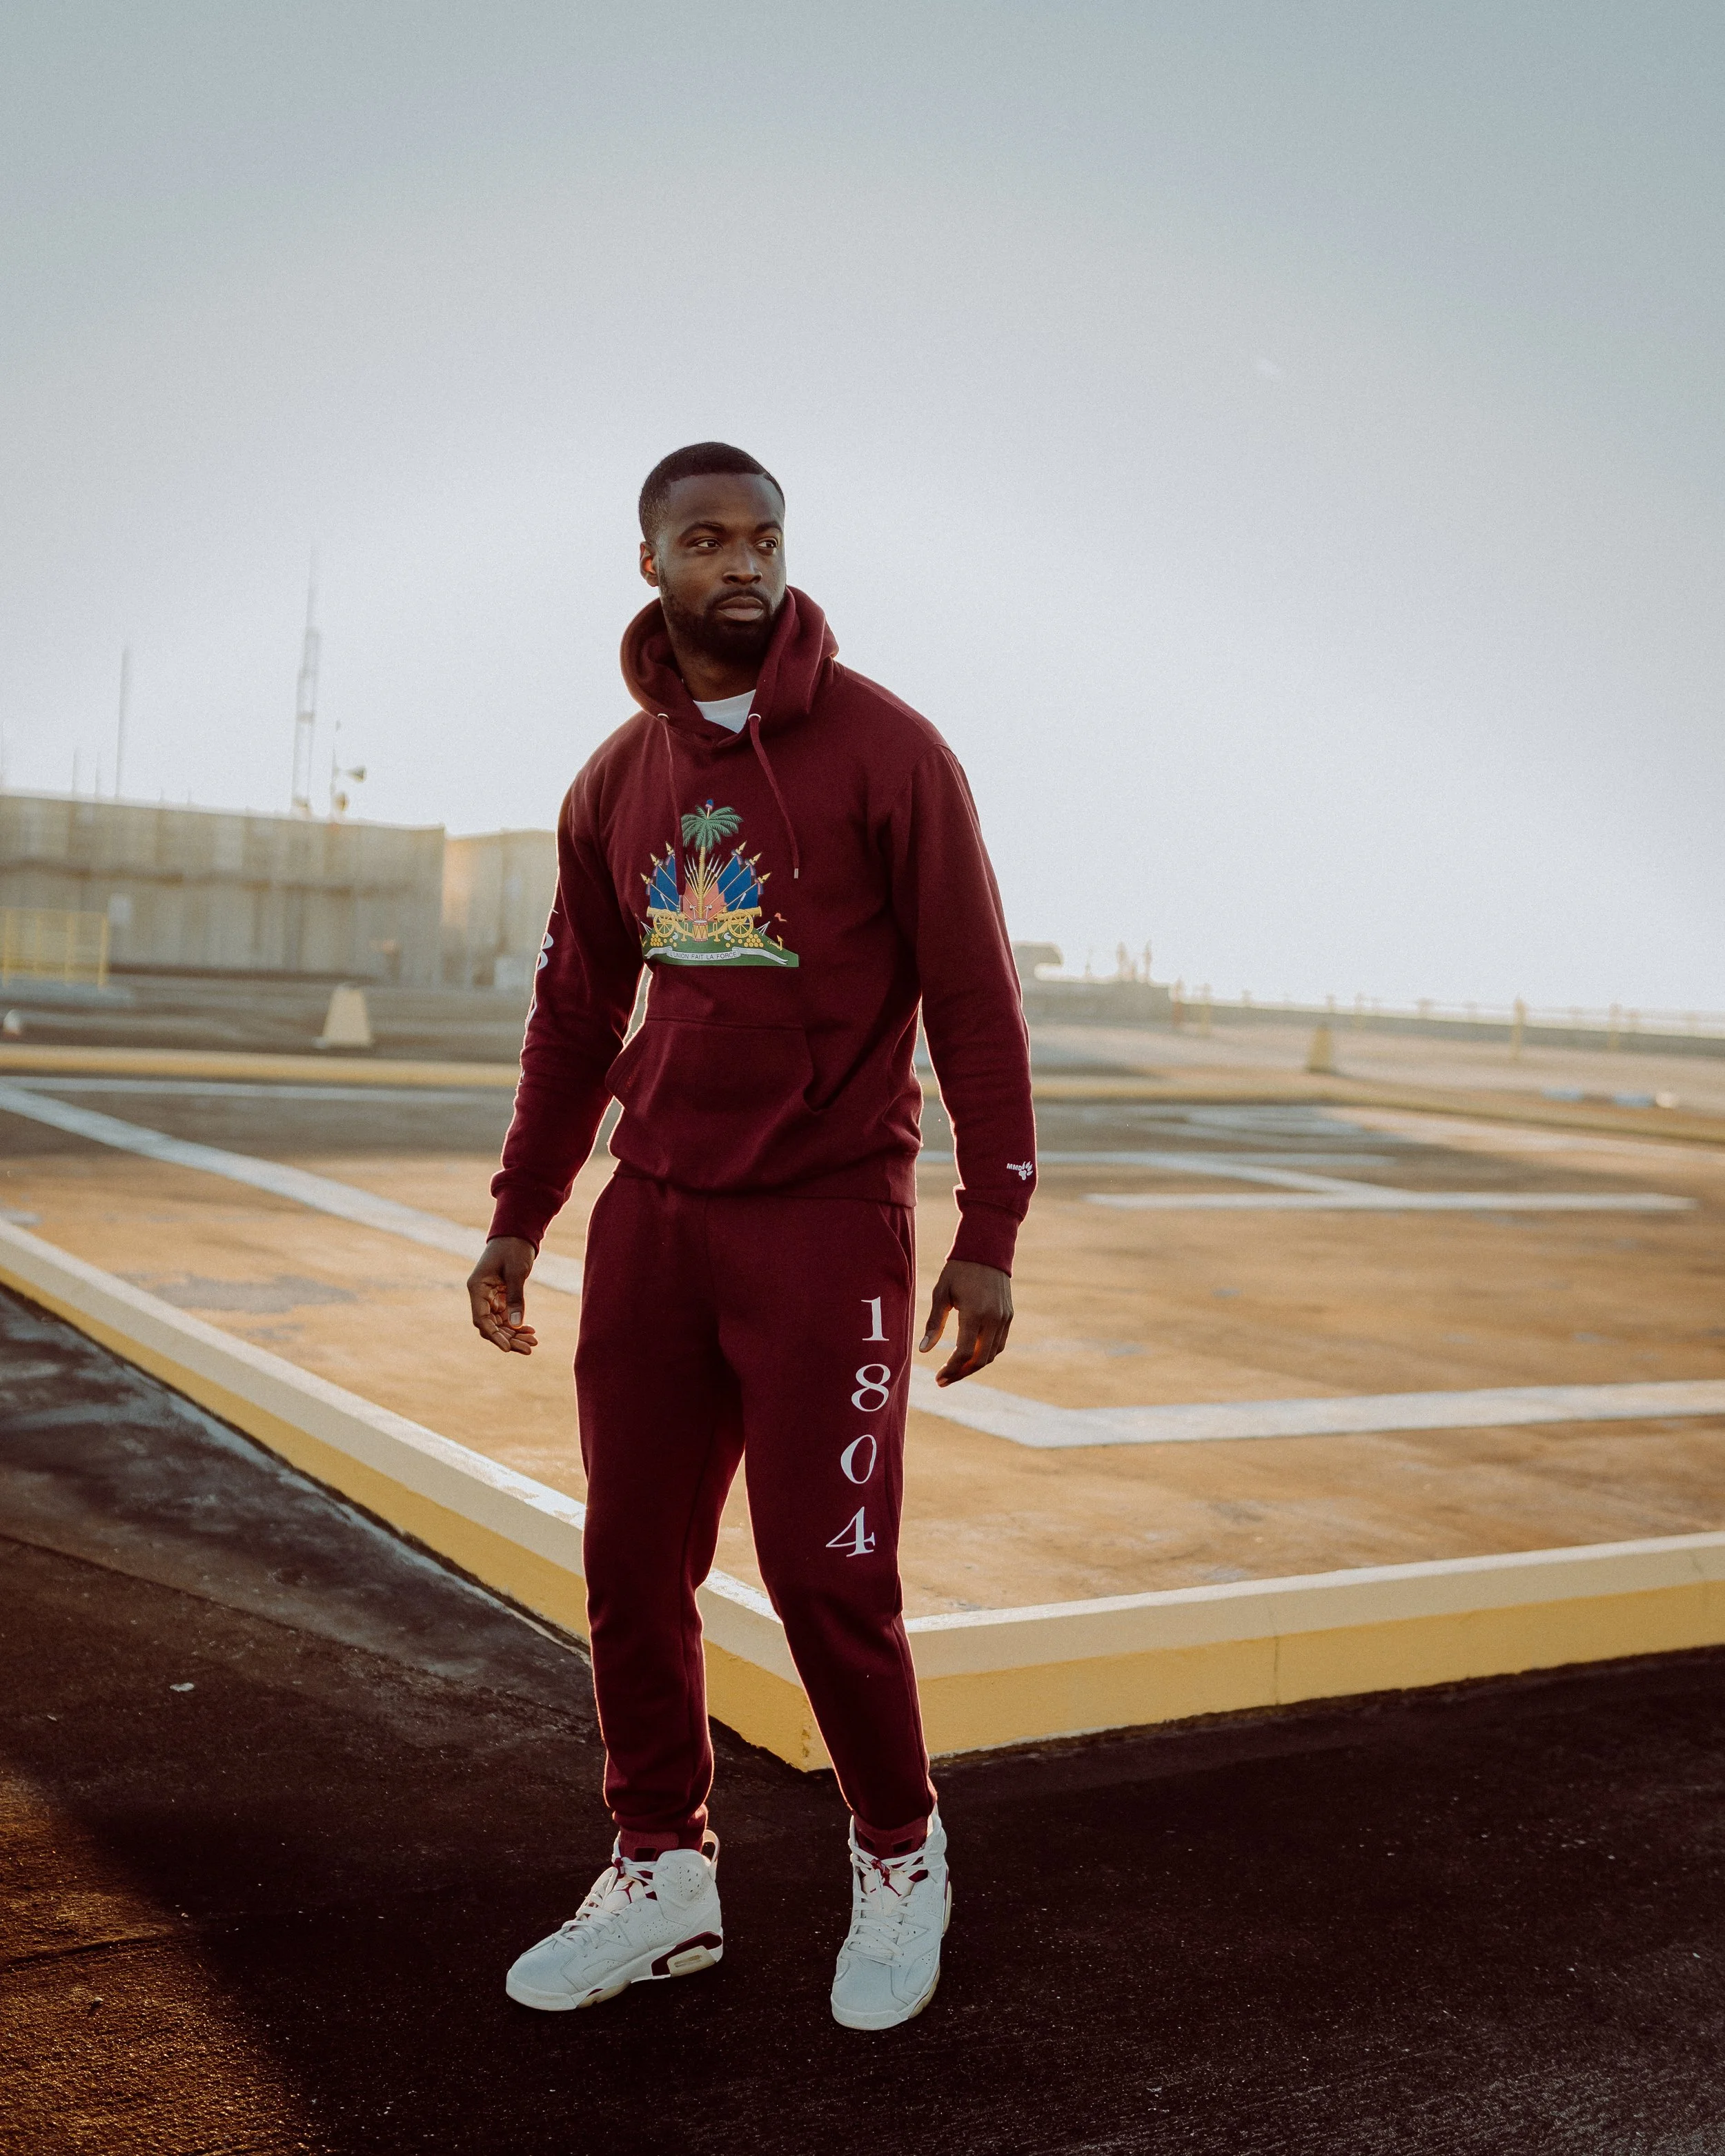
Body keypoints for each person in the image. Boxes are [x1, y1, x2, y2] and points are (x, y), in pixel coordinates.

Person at [466, 441, 1035, 2031]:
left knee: (824, 1568)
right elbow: (574, 1012)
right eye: (706, 538)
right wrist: (520, 1212)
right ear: (649, 561)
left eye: (763, 537)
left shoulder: (888, 751)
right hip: (655, 1214)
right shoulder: (613, 780)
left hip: (825, 1216)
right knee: (628, 1558)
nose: (742, 562)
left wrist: (989, 1223)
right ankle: (662, 1869)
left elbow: (974, 996)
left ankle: (900, 1850)